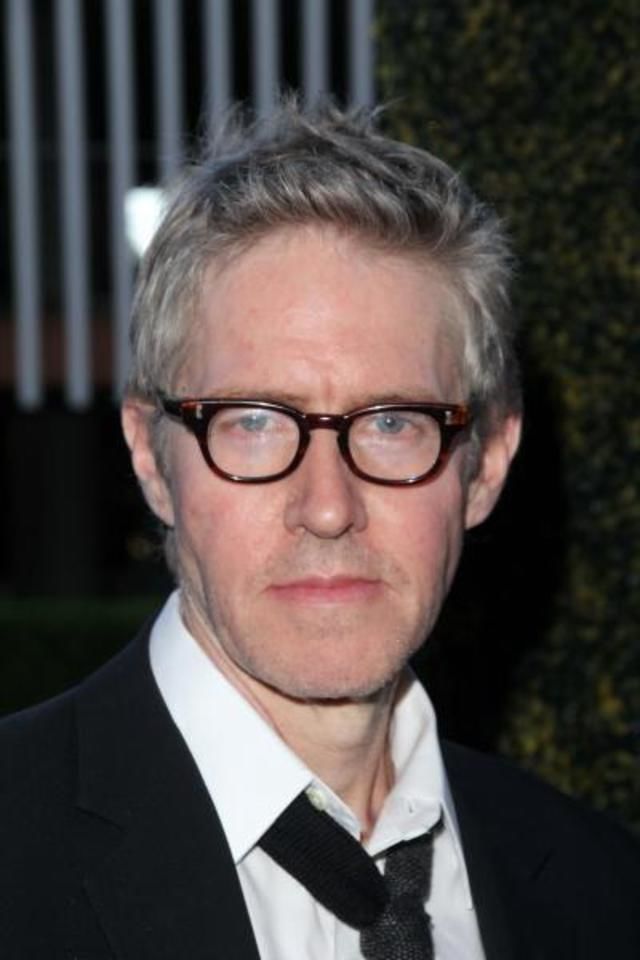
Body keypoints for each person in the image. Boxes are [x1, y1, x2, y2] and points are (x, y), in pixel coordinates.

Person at [1, 100, 639, 960]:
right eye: (256, 422)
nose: (329, 506)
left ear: (486, 464)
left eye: (393, 423)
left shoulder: (603, 890)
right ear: (151, 457)